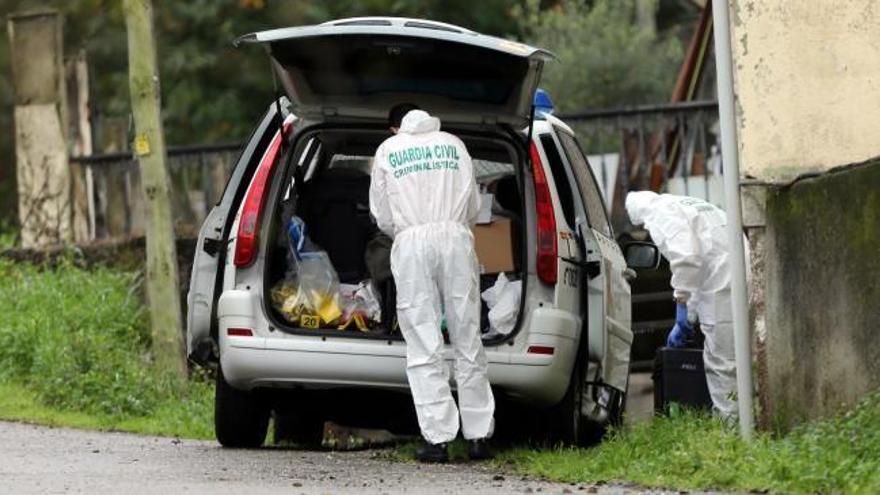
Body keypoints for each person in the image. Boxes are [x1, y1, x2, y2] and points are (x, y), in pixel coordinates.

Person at [369, 105, 495, 462]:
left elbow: (381, 213)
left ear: (396, 127)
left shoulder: (387, 150)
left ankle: (437, 440)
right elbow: (472, 204)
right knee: (467, 333)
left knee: (424, 340)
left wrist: (407, 231)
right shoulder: (454, 144)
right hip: (455, 237)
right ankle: (478, 436)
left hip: (411, 242)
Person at [625, 191, 738, 419]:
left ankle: (732, 428)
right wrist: (691, 315)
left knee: (722, 361)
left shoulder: (662, 213)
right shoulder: (687, 204)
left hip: (724, 278)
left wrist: (681, 305)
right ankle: (743, 420)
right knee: (739, 354)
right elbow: (699, 259)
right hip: (736, 268)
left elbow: (686, 258)